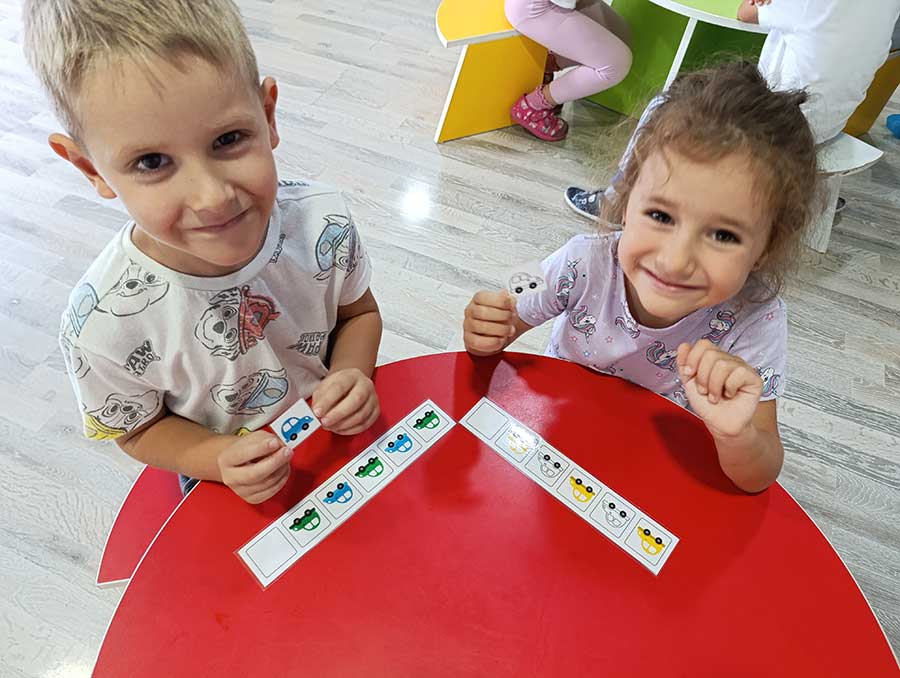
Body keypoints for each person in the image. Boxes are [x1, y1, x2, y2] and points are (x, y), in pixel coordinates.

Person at [23, 0, 383, 503]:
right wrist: (215, 459)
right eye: (152, 162)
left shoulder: (323, 223)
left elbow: (359, 314)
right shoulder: (101, 326)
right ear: (91, 170)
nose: (212, 196)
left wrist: (350, 372)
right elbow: (138, 428)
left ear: (268, 115)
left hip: (339, 436)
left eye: (228, 139)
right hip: (223, 477)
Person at [463, 62, 820, 493]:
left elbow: (758, 476)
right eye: (660, 215)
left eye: (724, 235)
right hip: (555, 447)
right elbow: (506, 309)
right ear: (625, 199)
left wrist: (736, 435)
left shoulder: (757, 318)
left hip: (651, 480)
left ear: (766, 247)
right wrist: (486, 327)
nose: (675, 260)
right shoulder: (580, 258)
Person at [566, 0, 900, 220]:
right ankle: (805, 197)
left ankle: (615, 202)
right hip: (835, 117)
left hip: (785, 120)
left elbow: (745, 13)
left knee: (663, 105)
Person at [505, 0, 632, 142]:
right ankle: (533, 106)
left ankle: (548, 63)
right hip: (534, 8)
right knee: (616, 63)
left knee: (619, 33)